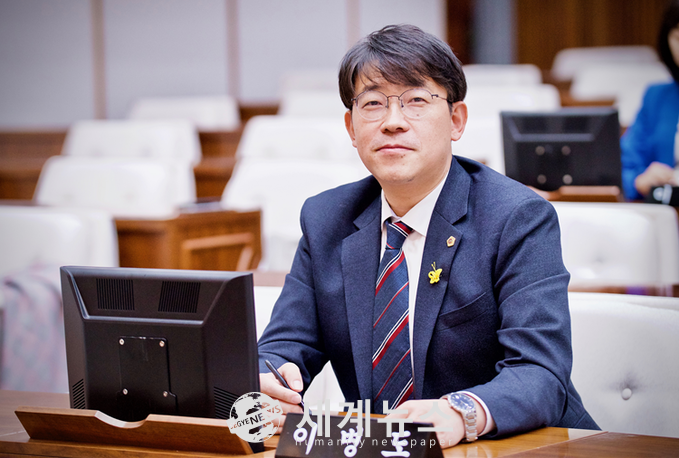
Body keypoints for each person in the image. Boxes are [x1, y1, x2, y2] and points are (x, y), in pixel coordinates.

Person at [258, 24, 598, 448]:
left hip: (520, 446)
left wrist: (461, 412)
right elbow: (284, 344)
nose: (393, 122)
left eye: (416, 100)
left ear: (456, 120)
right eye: (373, 103)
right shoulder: (327, 218)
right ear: (351, 127)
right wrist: (268, 382)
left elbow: (541, 373)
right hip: (380, 449)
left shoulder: (517, 218)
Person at [621, 0, 679, 200]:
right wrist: (639, 181)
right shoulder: (656, 97)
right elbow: (621, 168)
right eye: (678, 38)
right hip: (668, 212)